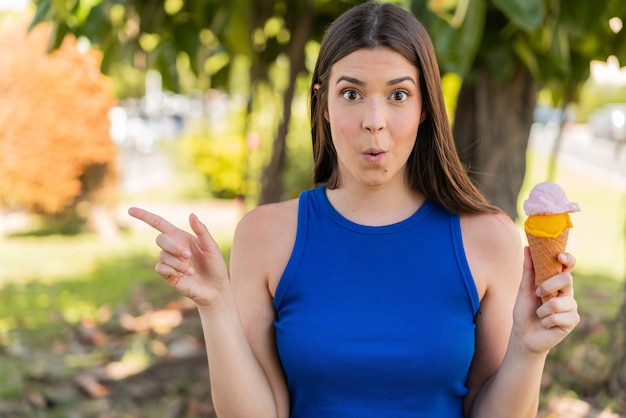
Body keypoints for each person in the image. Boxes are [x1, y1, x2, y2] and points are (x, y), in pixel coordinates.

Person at [128, 2, 580, 417]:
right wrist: (215, 306)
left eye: (398, 95)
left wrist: (528, 349)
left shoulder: (487, 238)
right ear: (323, 102)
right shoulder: (266, 235)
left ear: (425, 107)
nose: (374, 120)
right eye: (351, 94)